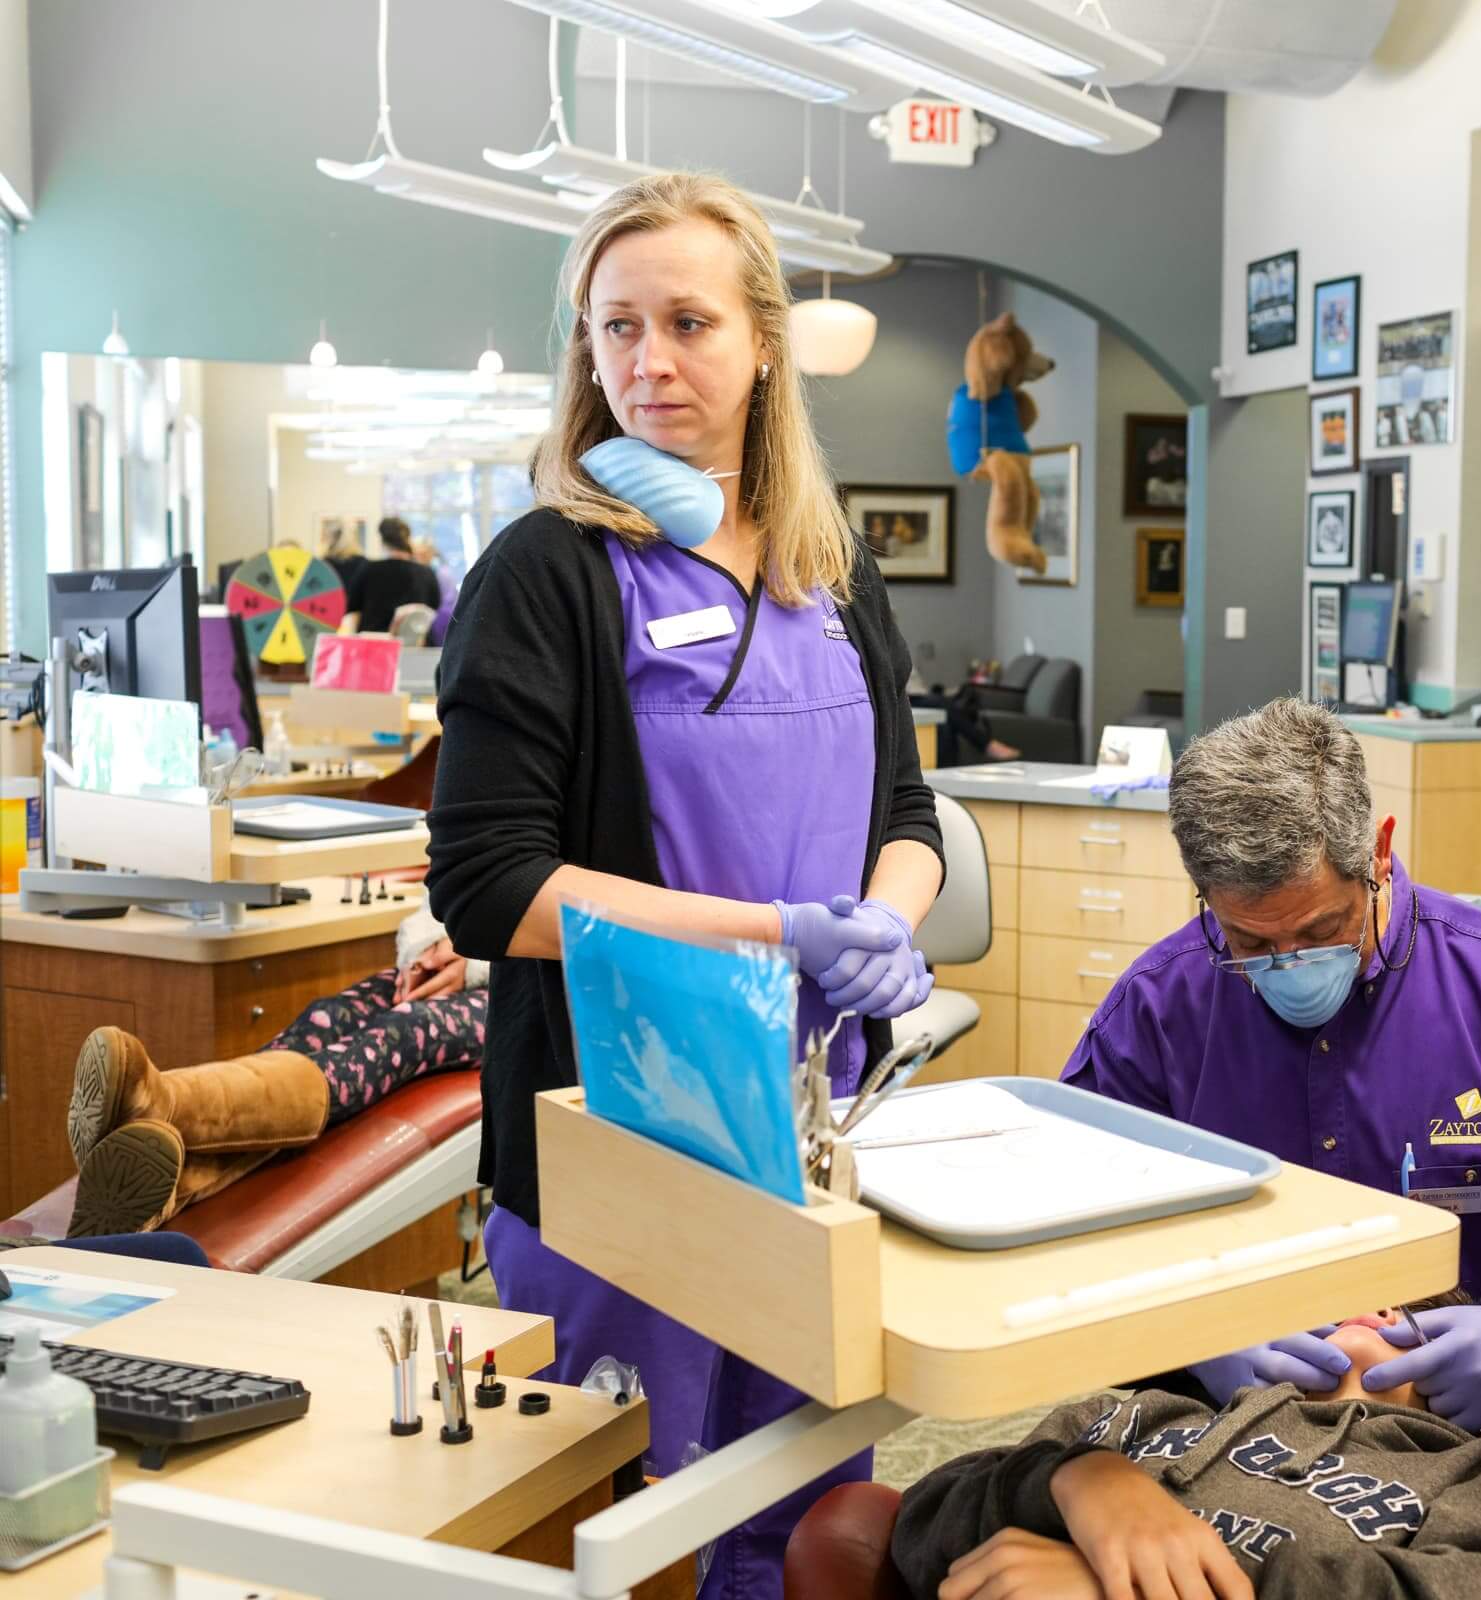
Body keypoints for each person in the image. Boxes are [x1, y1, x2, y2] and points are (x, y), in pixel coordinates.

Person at [425, 172, 943, 1600]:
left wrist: (887, 918)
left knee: (811, 1514)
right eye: (617, 328)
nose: (649, 363)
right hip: (617, 1130)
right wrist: (779, 933)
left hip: (812, 1129)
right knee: (627, 1521)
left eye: (690, 323)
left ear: (764, 342)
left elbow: (907, 810)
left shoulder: (833, 569)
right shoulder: (550, 571)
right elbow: (487, 885)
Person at [1058, 698, 1481, 1589]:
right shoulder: (1158, 1011)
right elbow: (1073, 1234)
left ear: (1380, 852)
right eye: (1251, 943)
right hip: (1212, 1409)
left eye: (1320, 931)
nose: (1288, 962)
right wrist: (1197, 1333)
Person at [877, 1293, 1481, 1600]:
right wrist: (1083, 1480)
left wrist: (1122, 1586)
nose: (1370, 1300)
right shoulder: (1140, 1420)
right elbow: (923, 1520)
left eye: (1407, 1305)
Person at [61, 903, 487, 1237]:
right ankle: (177, 1183)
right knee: (327, 1017)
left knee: (402, 1033)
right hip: (454, 963)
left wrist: (478, 960)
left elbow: (552, 930)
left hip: (524, 994)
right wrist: (426, 949)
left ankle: (162, 1104)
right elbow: (434, 898)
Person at [351, 516, 443, 632]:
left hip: (374, 643)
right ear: (407, 538)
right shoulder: (425, 573)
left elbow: (353, 607)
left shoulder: (369, 570)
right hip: (413, 646)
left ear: (383, 541)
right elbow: (434, 608)